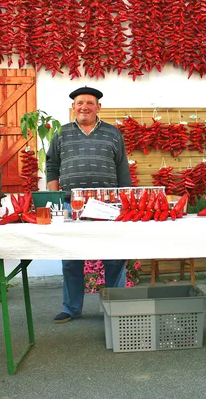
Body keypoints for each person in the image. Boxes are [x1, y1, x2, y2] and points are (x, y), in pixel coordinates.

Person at [46, 86, 131, 324]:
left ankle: (115, 306)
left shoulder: (113, 133)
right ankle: (71, 308)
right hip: (71, 204)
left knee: (114, 258)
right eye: (80, 103)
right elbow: (51, 166)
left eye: (90, 103)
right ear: (73, 107)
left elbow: (122, 169)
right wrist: (55, 198)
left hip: (108, 204)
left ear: (98, 107)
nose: (84, 107)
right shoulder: (61, 133)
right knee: (71, 258)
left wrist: (126, 203)